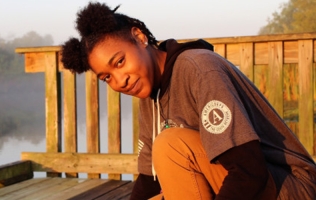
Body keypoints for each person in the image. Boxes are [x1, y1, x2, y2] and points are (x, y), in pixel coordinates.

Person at [60, 2, 316, 200]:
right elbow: (150, 178)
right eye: (107, 77)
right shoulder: (150, 94)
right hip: (241, 183)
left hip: (288, 187)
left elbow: (249, 170)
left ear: (139, 37)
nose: (120, 80)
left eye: (119, 62)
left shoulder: (199, 69)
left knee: (170, 144)